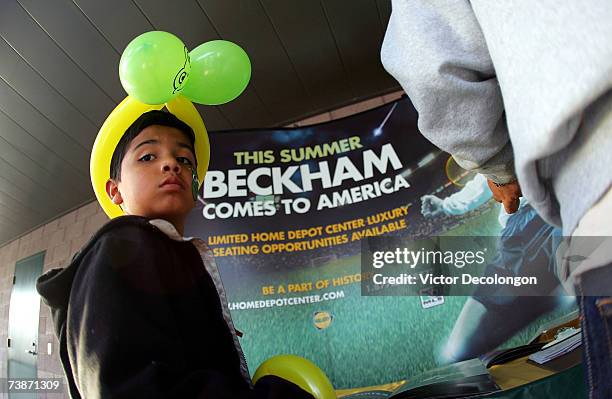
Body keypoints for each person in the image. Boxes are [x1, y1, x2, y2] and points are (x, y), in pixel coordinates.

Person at [381, 1, 612, 397]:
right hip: (561, 223)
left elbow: (432, 66)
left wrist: (499, 166)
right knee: (461, 351)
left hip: (594, 203)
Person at [36, 110, 314, 399]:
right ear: (115, 191)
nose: (171, 164)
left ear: (196, 187)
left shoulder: (169, 254)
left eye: (184, 160)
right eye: (147, 157)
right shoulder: (122, 246)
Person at [421, 174, 570, 363]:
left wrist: (446, 205)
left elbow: (490, 168)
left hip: (534, 223)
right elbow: (490, 173)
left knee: (456, 353)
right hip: (555, 217)